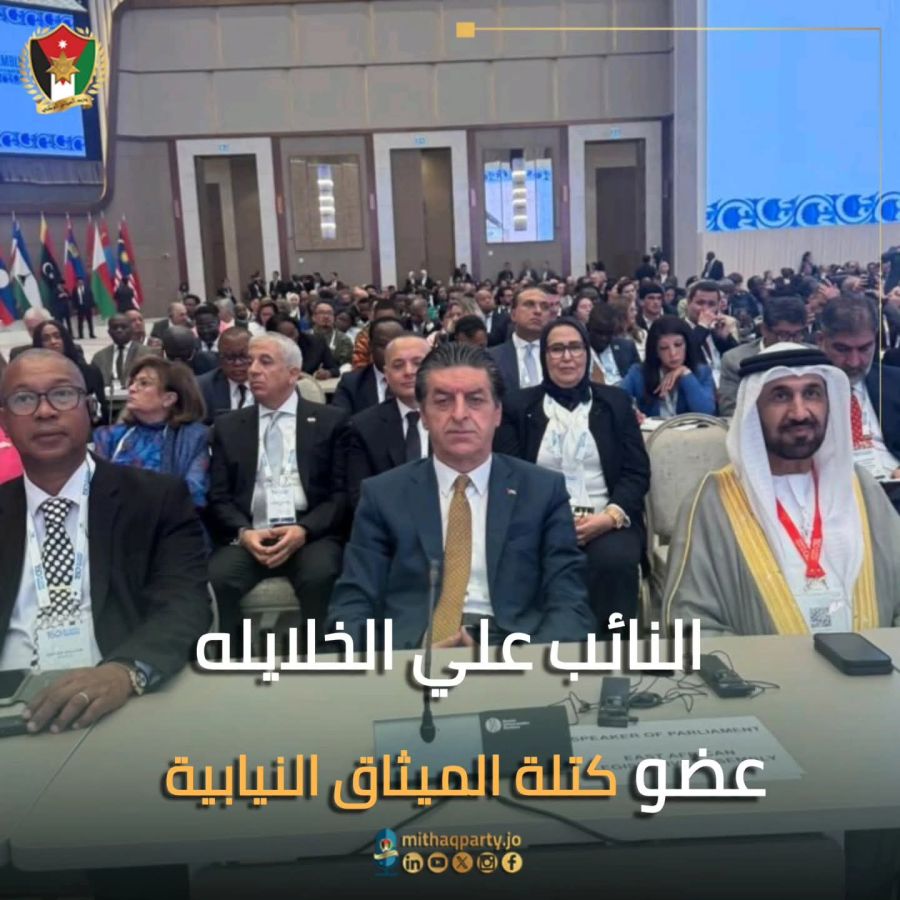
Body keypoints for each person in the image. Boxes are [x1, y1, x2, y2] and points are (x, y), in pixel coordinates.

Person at [329, 342, 595, 650]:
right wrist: (399, 660)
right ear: (423, 415)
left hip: (514, 646)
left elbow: (569, 602)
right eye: (443, 402)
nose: (459, 414)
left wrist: (521, 663)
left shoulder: (542, 490)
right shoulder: (383, 494)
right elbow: (352, 603)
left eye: (475, 400)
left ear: (497, 413)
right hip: (414, 648)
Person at [0, 350, 210, 731]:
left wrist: (125, 671)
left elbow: (184, 604)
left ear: (90, 408)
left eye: (62, 394)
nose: (45, 411)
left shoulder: (156, 499)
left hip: (119, 705)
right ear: (4, 420)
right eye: (24, 399)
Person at [665, 345, 900, 634]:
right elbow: (689, 626)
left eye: (812, 393)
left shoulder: (860, 487)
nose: (799, 413)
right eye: (781, 396)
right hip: (755, 665)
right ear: (754, 409)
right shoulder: (714, 500)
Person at [495, 319, 650, 629]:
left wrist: (609, 517)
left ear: (587, 353)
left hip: (607, 519)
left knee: (614, 562)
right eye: (557, 349)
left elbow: (636, 472)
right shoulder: (517, 406)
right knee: (527, 560)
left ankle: (611, 647)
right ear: (544, 356)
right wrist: (551, 521)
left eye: (575, 347)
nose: (567, 357)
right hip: (537, 521)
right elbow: (508, 475)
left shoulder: (616, 402)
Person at [207, 333, 348, 637]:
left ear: (293, 374)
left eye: (265, 362)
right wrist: (243, 533)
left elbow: (340, 496)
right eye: (250, 361)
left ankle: (316, 655)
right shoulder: (228, 426)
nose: (252, 370)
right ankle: (234, 657)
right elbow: (219, 497)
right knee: (217, 579)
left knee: (322, 575)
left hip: (309, 534)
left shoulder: (330, 422)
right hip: (251, 534)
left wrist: (304, 530)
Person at [92, 357, 210, 509]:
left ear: (169, 399)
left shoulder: (195, 437)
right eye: (133, 382)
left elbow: (194, 493)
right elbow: (97, 487)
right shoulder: (109, 436)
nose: (132, 388)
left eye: (144, 383)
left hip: (172, 518)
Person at [816, 295, 900, 488]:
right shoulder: (804, 391)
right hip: (833, 488)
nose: (854, 362)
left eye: (864, 349)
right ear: (821, 340)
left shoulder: (895, 382)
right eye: (842, 349)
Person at [340, 335, 430, 507]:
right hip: (389, 519)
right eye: (398, 365)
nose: (409, 371)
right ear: (387, 375)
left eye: (418, 363)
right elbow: (361, 496)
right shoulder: (364, 427)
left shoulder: (455, 418)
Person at [718, 296, 808, 417]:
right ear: (764, 329)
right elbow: (730, 410)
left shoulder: (815, 356)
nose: (791, 342)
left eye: (797, 334)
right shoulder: (735, 361)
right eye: (783, 335)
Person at [617, 316, 716, 418]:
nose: (673, 353)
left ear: (687, 345)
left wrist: (685, 374)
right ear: (655, 351)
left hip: (690, 429)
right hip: (653, 428)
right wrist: (633, 412)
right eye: (664, 348)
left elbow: (706, 413)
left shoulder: (702, 372)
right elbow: (616, 400)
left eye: (678, 345)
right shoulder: (639, 373)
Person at [32, 319, 108, 425]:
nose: (53, 341)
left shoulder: (89, 372)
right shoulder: (32, 376)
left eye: (57, 336)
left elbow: (101, 411)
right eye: (46, 339)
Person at [332, 318, 406, 415]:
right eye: (383, 345)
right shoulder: (351, 383)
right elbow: (339, 420)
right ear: (370, 346)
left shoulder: (418, 381)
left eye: (397, 344)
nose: (391, 351)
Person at [488, 287, 554, 392]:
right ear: (513, 314)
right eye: (529, 305)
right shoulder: (490, 357)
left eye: (544, 307)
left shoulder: (559, 355)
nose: (538, 311)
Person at [684, 280, 738, 388]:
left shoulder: (715, 331)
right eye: (700, 303)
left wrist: (725, 338)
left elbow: (736, 358)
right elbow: (687, 352)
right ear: (689, 303)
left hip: (724, 386)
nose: (705, 309)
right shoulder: (678, 328)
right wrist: (702, 327)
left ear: (718, 306)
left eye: (711, 304)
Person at [196, 327, 254, 423]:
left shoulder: (270, 384)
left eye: (244, 356)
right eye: (230, 358)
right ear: (219, 358)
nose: (237, 363)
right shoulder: (202, 387)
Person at [90, 314, 154, 389]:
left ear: (132, 330)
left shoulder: (147, 353)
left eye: (124, 327)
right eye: (115, 328)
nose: (119, 330)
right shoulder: (99, 357)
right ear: (109, 332)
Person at [586, 302, 639, 387]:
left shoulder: (627, 348)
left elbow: (640, 379)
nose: (603, 338)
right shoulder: (579, 352)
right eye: (599, 332)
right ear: (588, 328)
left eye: (608, 333)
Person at [311, 300, 353, 367]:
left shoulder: (344, 339)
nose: (326, 316)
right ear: (313, 317)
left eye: (329, 313)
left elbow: (345, 363)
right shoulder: (304, 337)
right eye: (322, 313)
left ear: (334, 318)